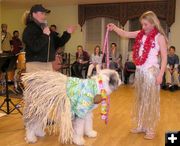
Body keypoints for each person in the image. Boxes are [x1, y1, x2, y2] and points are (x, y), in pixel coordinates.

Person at [108, 11, 167, 139]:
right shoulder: (140, 34)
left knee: (150, 101)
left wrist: (160, 75)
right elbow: (125, 33)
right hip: (140, 72)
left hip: (151, 72)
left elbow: (164, 57)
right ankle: (141, 124)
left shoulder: (159, 37)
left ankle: (150, 128)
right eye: (142, 25)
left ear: (153, 23)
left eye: (145, 24)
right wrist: (115, 28)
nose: (143, 27)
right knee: (141, 100)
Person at [22, 4, 76, 72]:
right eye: (42, 13)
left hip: (48, 65)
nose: (44, 16)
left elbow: (59, 43)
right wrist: (45, 35)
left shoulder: (46, 29)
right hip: (34, 65)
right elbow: (35, 47)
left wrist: (67, 33)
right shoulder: (29, 29)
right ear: (34, 14)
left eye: (45, 14)